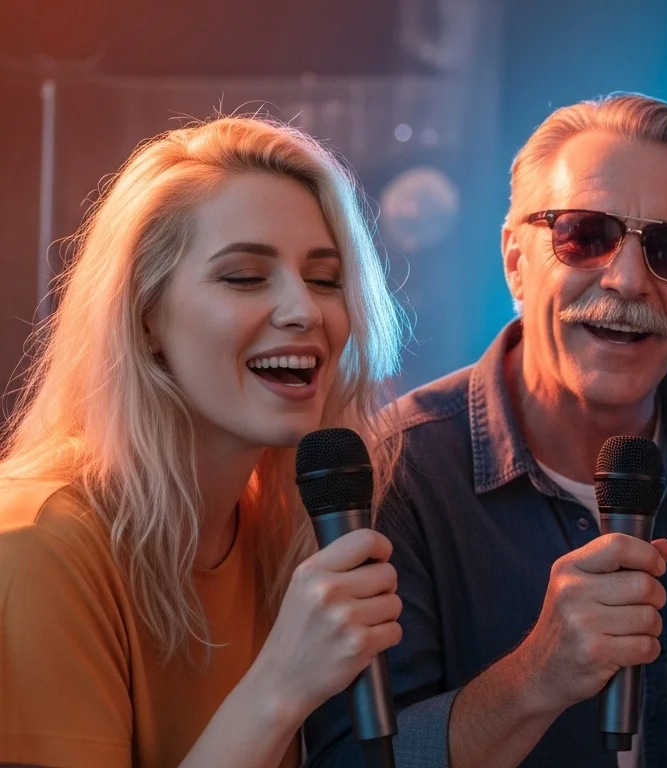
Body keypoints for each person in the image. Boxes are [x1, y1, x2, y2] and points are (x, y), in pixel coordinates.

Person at [302, 92, 667, 768]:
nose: (629, 279)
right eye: (584, 235)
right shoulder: (400, 470)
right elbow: (352, 759)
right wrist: (537, 675)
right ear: (516, 259)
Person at [0, 115, 408, 767]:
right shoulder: (34, 546)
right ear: (144, 317)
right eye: (245, 276)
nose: (304, 310)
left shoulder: (271, 532)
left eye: (326, 279)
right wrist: (281, 687)